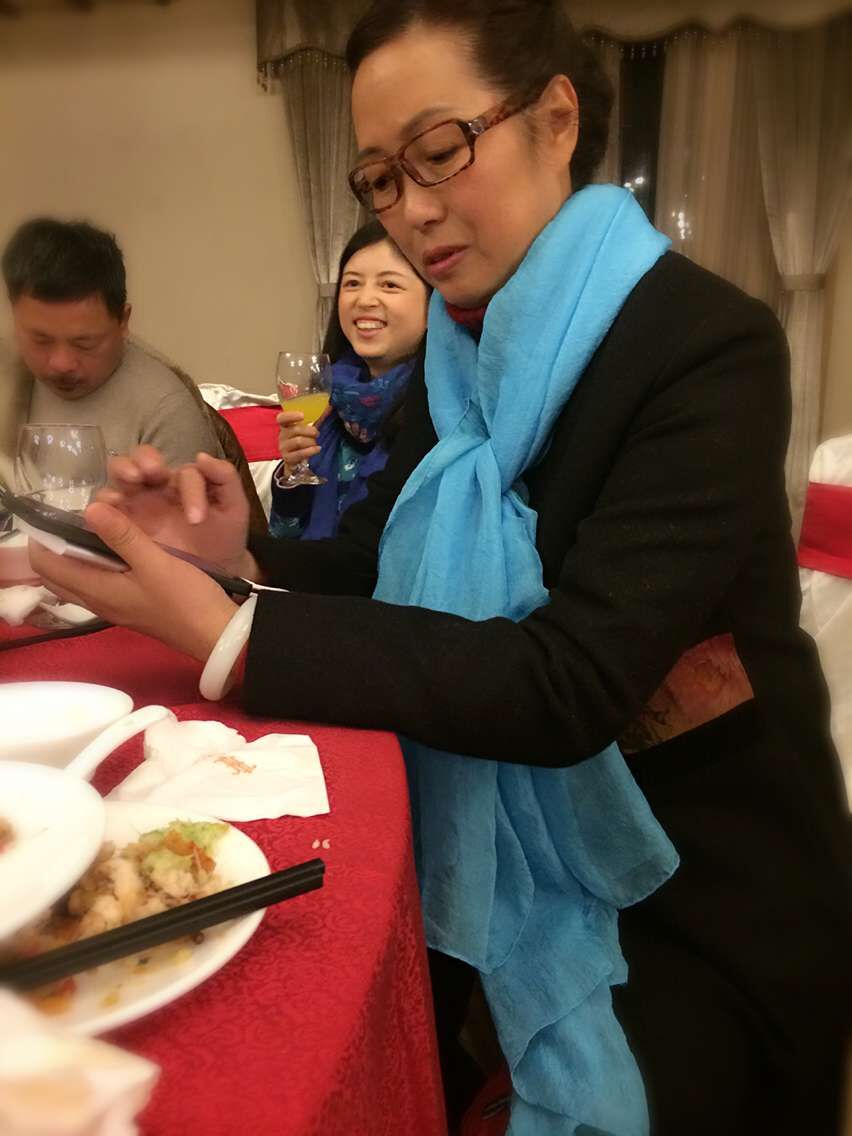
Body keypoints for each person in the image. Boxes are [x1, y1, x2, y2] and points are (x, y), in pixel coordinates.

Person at [30, 2, 852, 1135]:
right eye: (379, 177)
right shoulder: (464, 350)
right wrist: (243, 556)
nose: (410, 210)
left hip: (692, 874)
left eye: (439, 150)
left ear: (556, 119)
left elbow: (570, 680)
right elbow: (384, 567)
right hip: (505, 821)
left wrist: (237, 633)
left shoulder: (703, 345)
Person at [0, 218, 224, 478]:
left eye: (84, 343)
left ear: (123, 322)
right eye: (41, 340)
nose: (61, 363)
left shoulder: (167, 413)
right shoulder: (9, 372)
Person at [269, 219, 428, 540]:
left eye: (389, 285)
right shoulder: (330, 401)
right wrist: (292, 470)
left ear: (432, 301)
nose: (364, 300)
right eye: (352, 283)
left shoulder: (439, 413)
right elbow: (285, 536)